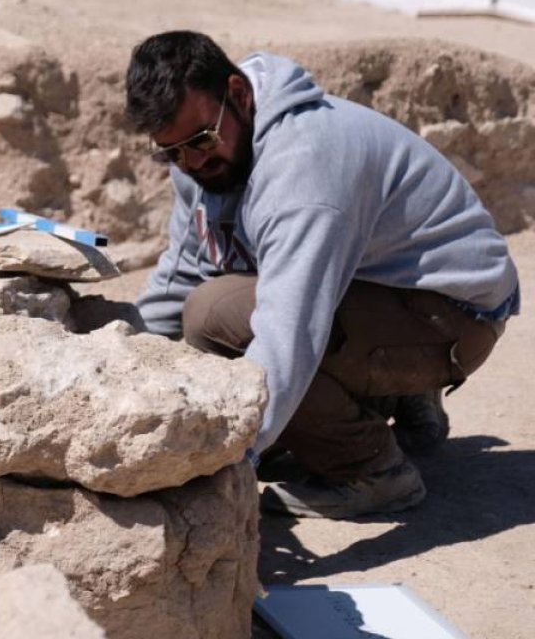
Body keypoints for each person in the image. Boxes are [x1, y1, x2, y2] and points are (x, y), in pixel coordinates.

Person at [125, 31, 520, 519]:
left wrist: (232, 461)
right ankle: (395, 396)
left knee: (215, 317)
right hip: (393, 294)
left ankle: (373, 470)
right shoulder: (208, 154)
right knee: (211, 305)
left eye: (201, 141)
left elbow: (290, 332)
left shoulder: (304, 168)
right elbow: (185, 269)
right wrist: (125, 356)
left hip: (458, 317)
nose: (192, 162)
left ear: (240, 94)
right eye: (173, 152)